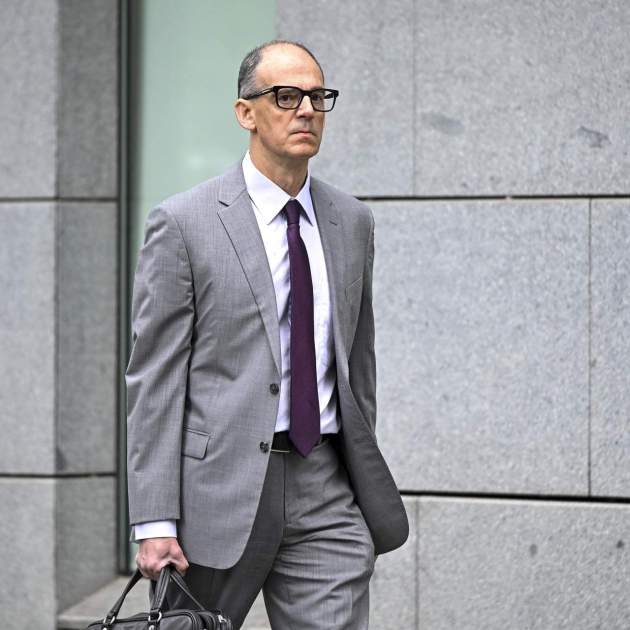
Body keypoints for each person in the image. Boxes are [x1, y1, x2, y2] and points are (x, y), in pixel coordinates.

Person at [126, 39, 408, 629]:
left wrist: (356, 476)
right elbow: (155, 380)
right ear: (245, 113)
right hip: (214, 496)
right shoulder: (184, 223)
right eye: (285, 96)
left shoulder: (352, 221)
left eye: (317, 97)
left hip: (325, 487)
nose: (306, 109)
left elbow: (358, 364)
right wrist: (154, 519)